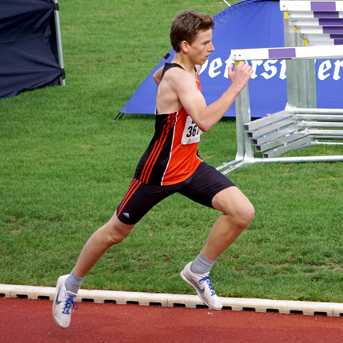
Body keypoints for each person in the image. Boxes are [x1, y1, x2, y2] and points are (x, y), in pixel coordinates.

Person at [52, 9, 254, 329]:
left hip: (189, 166)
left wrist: (167, 91)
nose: (212, 48)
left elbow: (160, 77)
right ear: (185, 46)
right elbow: (204, 120)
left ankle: (198, 270)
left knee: (242, 211)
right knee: (115, 233)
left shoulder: (181, 67)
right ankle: (70, 284)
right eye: (206, 43)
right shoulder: (180, 75)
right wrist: (236, 86)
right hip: (157, 173)